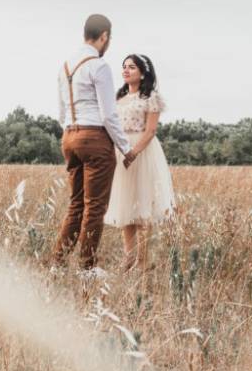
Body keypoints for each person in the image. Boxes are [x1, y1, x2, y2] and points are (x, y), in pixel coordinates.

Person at [50, 14, 135, 272]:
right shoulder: (99, 66)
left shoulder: (65, 66)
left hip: (69, 136)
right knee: (95, 207)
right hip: (94, 138)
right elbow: (108, 114)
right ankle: (87, 268)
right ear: (104, 36)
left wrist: (72, 132)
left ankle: (57, 263)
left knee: (76, 203)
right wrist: (126, 148)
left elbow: (61, 113)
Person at [104, 54, 175, 270]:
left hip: (142, 151)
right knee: (125, 202)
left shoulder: (150, 98)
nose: (126, 70)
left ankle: (142, 260)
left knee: (143, 203)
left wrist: (133, 153)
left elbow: (151, 130)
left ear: (142, 73)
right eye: (124, 67)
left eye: (132, 67)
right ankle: (129, 257)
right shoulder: (118, 98)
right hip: (120, 150)